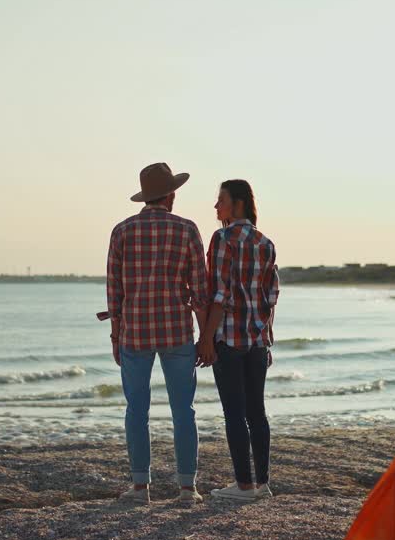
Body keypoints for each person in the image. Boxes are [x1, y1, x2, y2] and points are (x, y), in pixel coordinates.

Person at [106, 162, 212, 504]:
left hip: (135, 332)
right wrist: (205, 335)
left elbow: (114, 291)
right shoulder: (186, 229)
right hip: (176, 331)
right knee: (184, 410)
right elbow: (201, 289)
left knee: (136, 410)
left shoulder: (122, 231)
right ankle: (186, 488)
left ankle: (140, 488)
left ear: (145, 198)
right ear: (171, 194)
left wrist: (115, 334)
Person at [199, 179, 280, 502]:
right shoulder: (265, 242)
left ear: (238, 204)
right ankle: (263, 483)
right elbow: (270, 297)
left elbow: (219, 294)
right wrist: (267, 338)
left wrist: (206, 339)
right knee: (256, 412)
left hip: (229, 339)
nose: (216, 207)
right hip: (258, 340)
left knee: (234, 412)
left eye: (221, 200)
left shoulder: (222, 239)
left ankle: (244, 486)